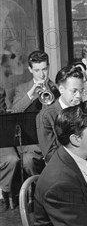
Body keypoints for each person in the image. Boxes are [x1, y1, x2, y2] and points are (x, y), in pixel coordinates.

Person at [10, 50, 57, 178]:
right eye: (37, 70)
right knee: (28, 161)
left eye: (44, 69)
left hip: (51, 138)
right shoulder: (23, 89)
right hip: (31, 141)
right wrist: (31, 94)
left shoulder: (56, 88)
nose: (42, 74)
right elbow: (14, 113)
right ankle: (38, 187)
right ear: (30, 70)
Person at [37, 65, 85, 162]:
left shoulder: (85, 108)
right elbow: (50, 154)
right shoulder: (46, 116)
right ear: (61, 89)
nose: (79, 96)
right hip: (64, 166)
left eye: (81, 90)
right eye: (74, 91)